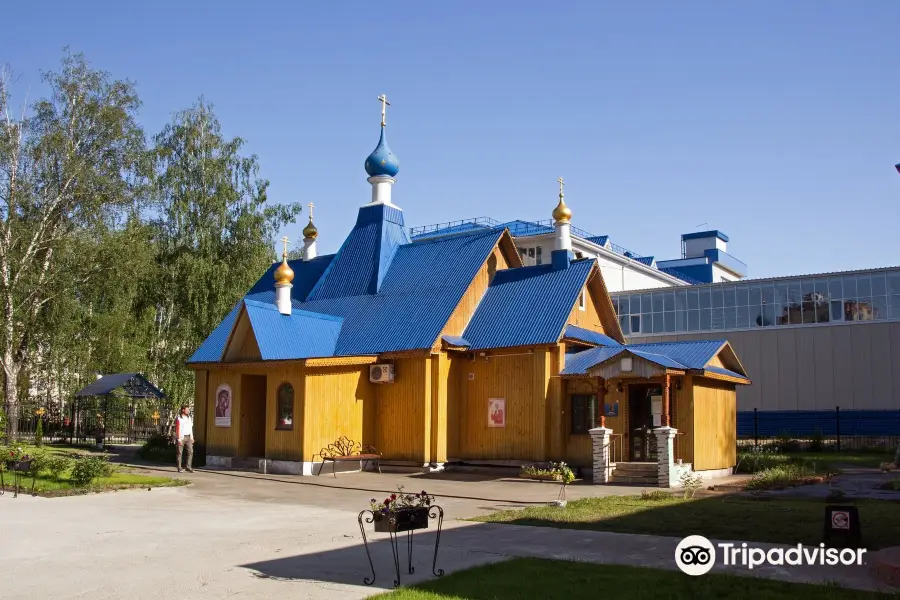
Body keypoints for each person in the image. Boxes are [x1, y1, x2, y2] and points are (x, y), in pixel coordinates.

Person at [174, 405, 194, 473]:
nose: (188, 411)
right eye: (187, 409)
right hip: (181, 437)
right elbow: (177, 429)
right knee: (179, 453)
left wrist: (192, 437)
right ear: (183, 410)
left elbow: (190, 428)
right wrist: (179, 439)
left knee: (190, 452)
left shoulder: (189, 418)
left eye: (189, 410)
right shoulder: (179, 418)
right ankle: (179, 467)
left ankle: (188, 467)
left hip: (188, 437)